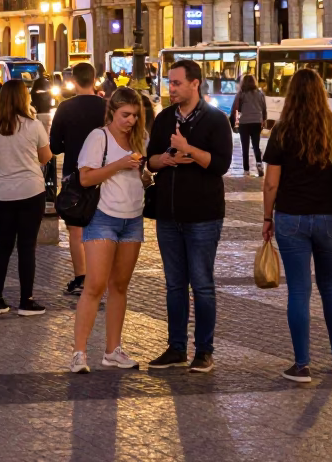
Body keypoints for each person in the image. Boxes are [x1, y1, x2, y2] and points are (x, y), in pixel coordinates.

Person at [261, 69, 332, 382]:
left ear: (291, 95)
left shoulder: (282, 130)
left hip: (291, 218)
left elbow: (270, 184)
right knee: (331, 285)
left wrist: (267, 219)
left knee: (299, 291)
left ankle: (301, 364)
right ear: (322, 93)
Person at [146, 59, 233, 374]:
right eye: (169, 83)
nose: (171, 89)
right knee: (174, 285)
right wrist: (167, 158)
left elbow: (220, 164)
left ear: (195, 84)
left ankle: (204, 351)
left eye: (176, 83)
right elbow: (151, 161)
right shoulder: (164, 118)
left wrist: (188, 149)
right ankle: (176, 348)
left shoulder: (216, 120)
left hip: (203, 216)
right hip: (168, 215)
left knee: (202, 284)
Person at [70, 87, 147, 374]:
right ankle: (79, 352)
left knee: (120, 287)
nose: (131, 121)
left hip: (133, 218)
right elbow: (86, 177)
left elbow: (142, 177)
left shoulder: (141, 138)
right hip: (103, 217)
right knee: (95, 286)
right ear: (112, 111)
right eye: (126, 115)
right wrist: (120, 164)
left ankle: (112, 350)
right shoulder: (98, 137)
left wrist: (151, 171)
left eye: (135, 116)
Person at [0, 80, 52, 317]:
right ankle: (26, 301)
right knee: (26, 247)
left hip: (2, 193)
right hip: (31, 191)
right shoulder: (34, 125)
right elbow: (45, 157)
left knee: (2, 246)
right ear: (25, 99)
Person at [49, 61, 108, 295]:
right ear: (95, 80)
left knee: (76, 229)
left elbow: (54, 145)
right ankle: (99, 276)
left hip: (73, 174)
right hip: (103, 174)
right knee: (101, 227)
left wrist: (71, 144)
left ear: (73, 81)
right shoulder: (106, 107)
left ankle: (81, 278)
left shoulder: (65, 108)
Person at [229, 73, 267, 177]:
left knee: (245, 147)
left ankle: (246, 170)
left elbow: (235, 109)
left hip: (244, 123)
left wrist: (234, 122)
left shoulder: (241, 94)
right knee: (256, 145)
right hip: (256, 122)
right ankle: (259, 164)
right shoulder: (260, 93)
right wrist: (263, 120)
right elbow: (264, 108)